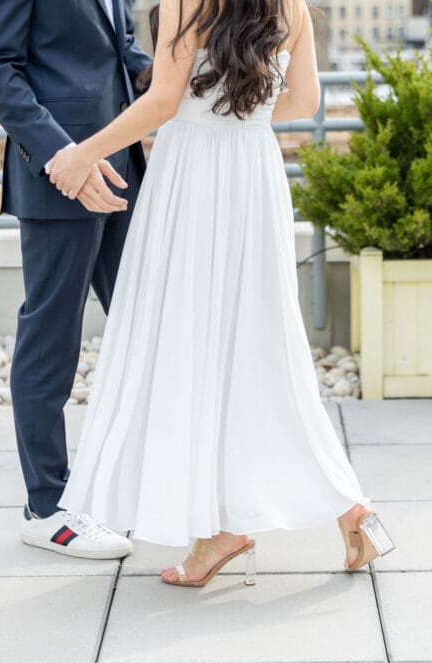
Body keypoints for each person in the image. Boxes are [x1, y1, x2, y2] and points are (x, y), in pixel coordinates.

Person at [46, 0, 395, 587]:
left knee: (192, 344)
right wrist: (241, 112)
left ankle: (221, 529)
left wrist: (85, 151)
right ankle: (340, 510)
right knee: (260, 349)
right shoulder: (293, 7)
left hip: (194, 180)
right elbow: (305, 102)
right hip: (253, 176)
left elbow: (161, 102)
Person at [0, 0, 154, 560]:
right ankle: (45, 508)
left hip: (122, 168)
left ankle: (135, 483)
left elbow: (121, 52)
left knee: (149, 323)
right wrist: (61, 156)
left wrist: (189, 74)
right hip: (61, 178)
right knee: (51, 337)